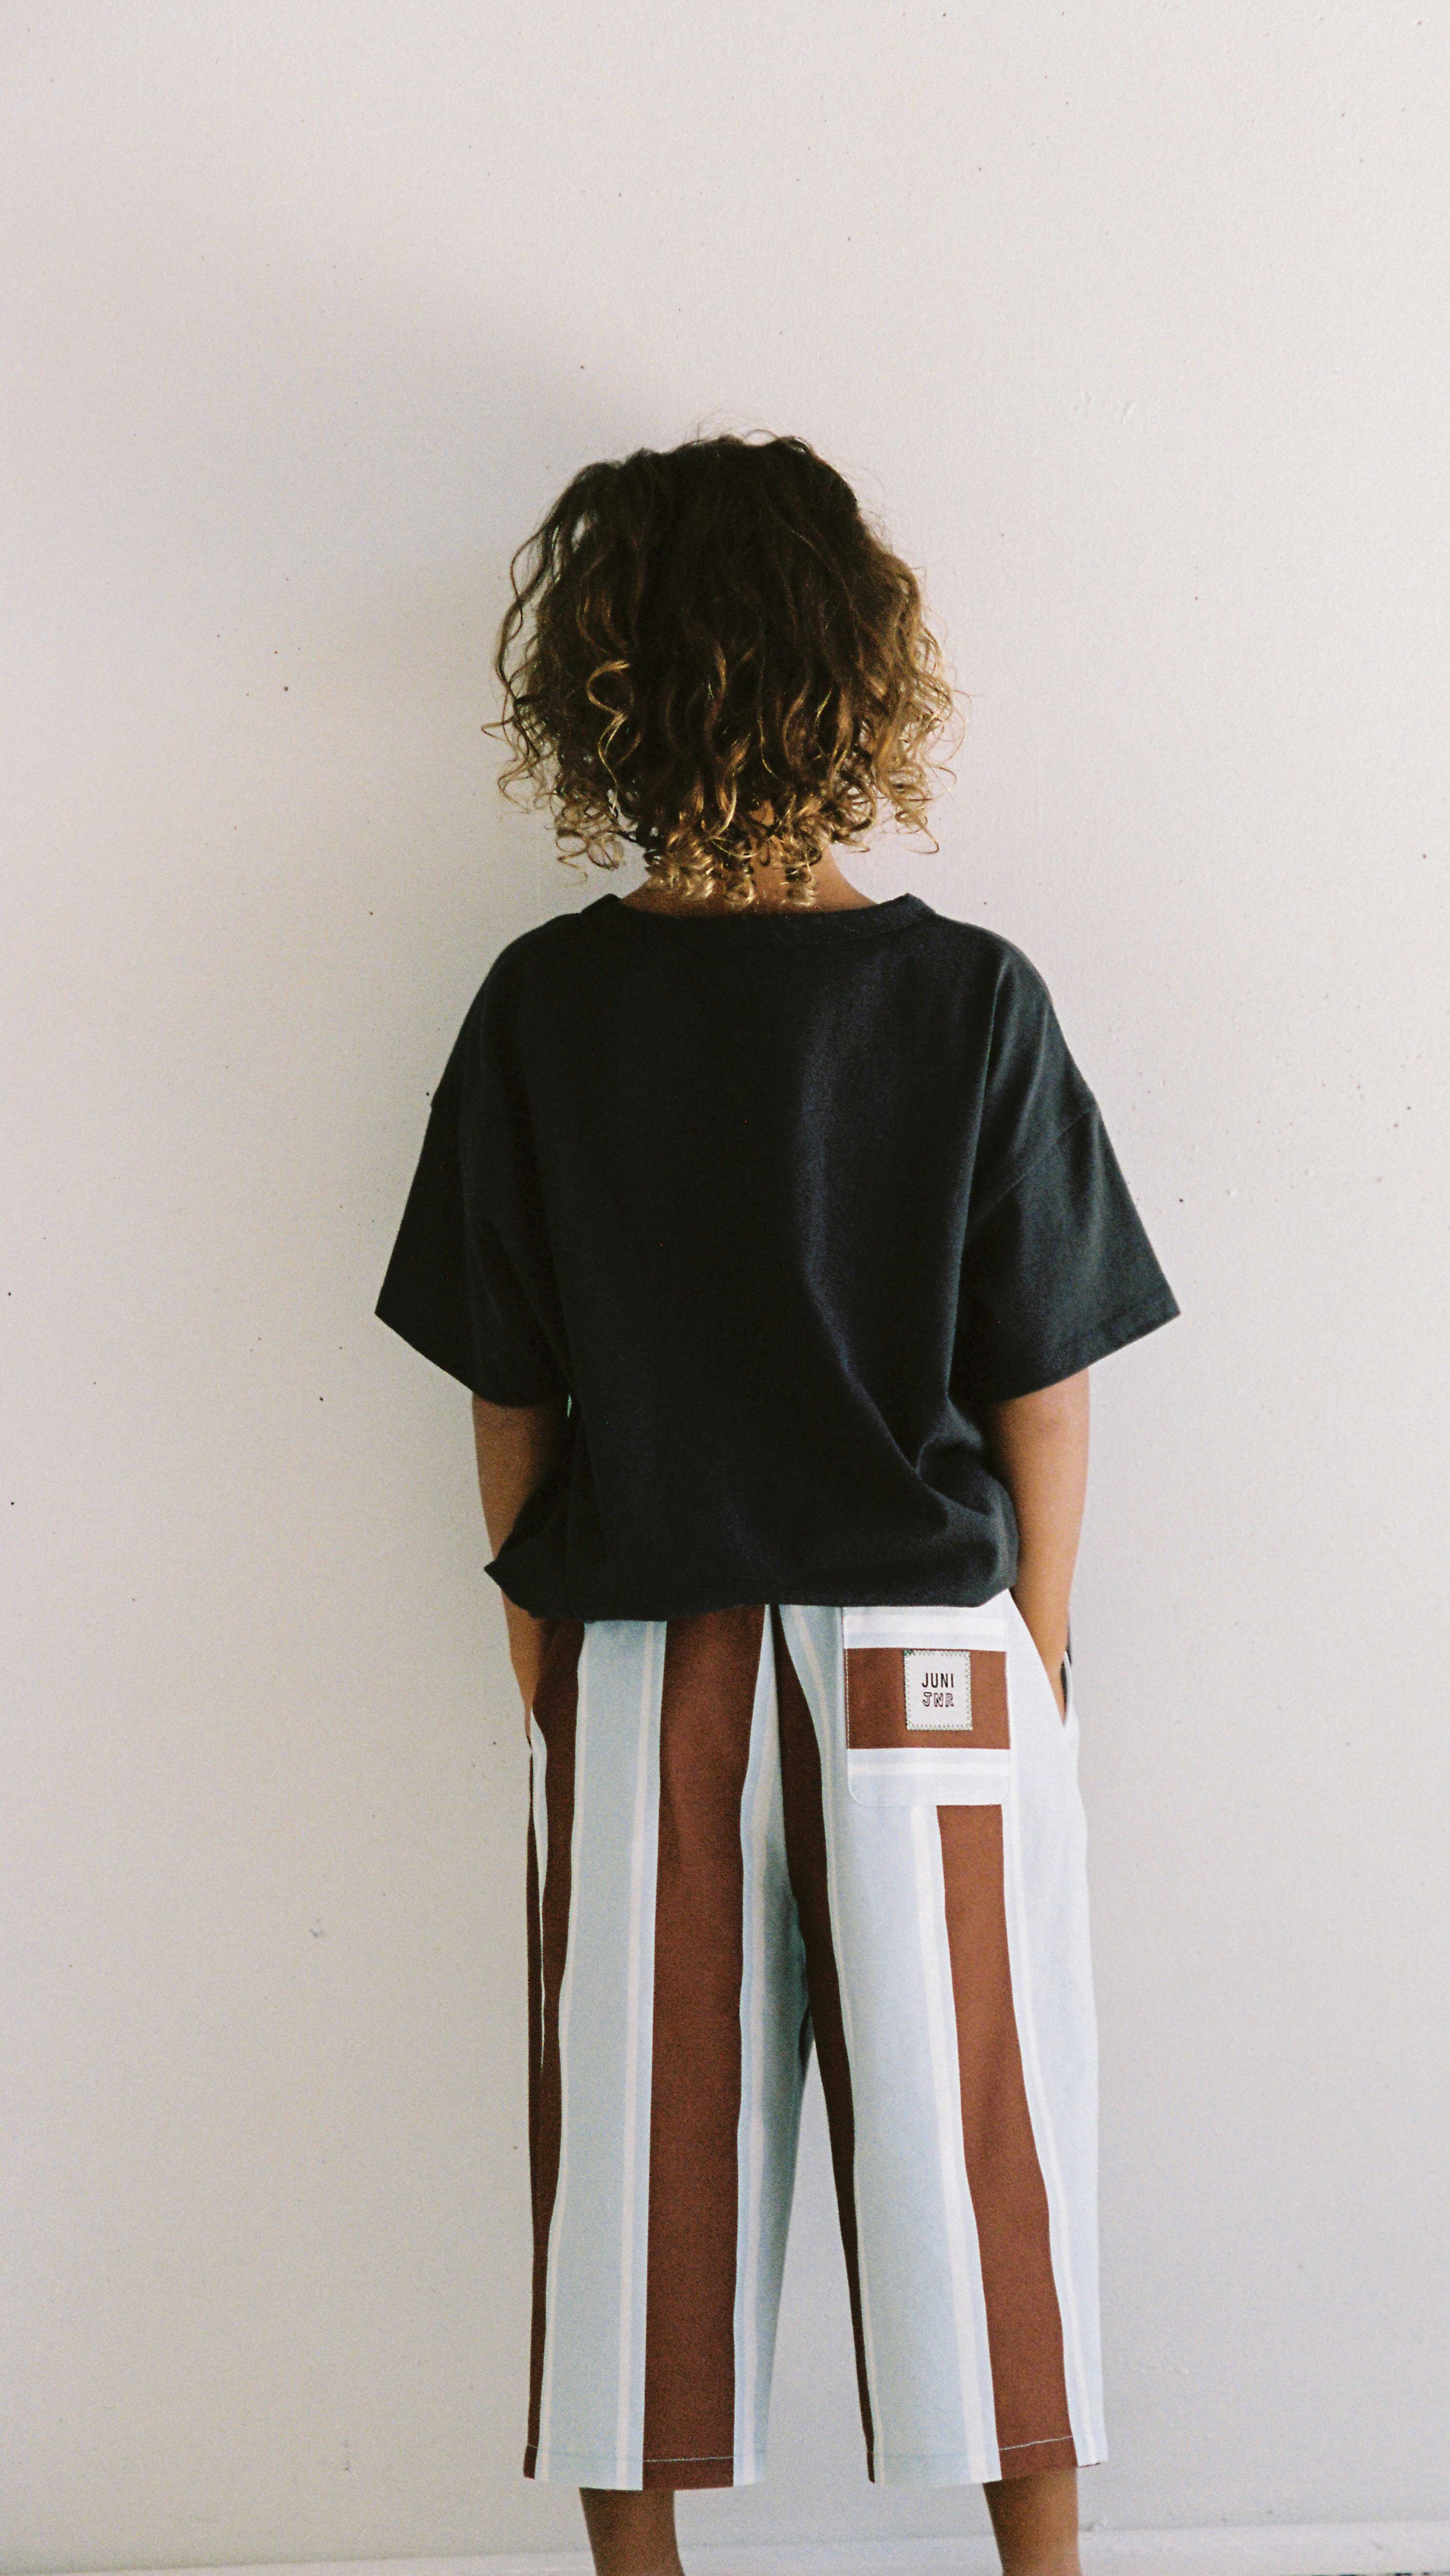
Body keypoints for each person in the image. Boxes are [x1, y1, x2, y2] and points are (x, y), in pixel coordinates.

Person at [373, 431, 1181, 2576]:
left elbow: (507, 1390)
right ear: (860, 670)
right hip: (933, 1643)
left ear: (598, 688)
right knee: (979, 2144)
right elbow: (1042, 1379)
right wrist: (1039, 1649)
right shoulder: (964, 995)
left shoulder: (550, 1006)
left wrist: (549, 1665)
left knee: (642, 2158)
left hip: (648, 1642)